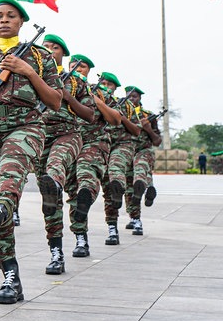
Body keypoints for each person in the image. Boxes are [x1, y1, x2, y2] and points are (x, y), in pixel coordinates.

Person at [0, 0, 62, 303]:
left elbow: (54, 101)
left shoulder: (38, 56)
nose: (4, 20)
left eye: (11, 16)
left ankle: (2, 210)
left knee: (9, 178)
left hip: (26, 126)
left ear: (21, 21)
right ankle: (10, 275)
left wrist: (28, 71)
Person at [34, 34, 91, 275]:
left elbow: (90, 115)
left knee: (55, 172)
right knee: (51, 200)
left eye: (54, 47)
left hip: (67, 135)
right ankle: (56, 252)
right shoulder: (30, 72)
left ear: (63, 55)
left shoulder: (75, 82)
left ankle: (80, 236)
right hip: (40, 137)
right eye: (45, 46)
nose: (48, 49)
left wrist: (68, 98)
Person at [63, 55, 120, 257]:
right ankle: (81, 239)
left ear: (89, 71)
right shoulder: (61, 83)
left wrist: (96, 100)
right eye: (73, 65)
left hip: (95, 142)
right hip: (70, 141)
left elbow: (116, 119)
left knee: (86, 177)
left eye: (82, 66)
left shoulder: (100, 92)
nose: (76, 68)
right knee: (73, 192)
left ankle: (107, 221)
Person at [97, 72, 142, 245]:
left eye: (109, 85)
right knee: (109, 190)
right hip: (104, 145)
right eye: (103, 83)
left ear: (115, 88)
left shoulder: (126, 105)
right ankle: (112, 229)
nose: (106, 87)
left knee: (115, 169)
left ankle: (120, 188)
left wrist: (121, 118)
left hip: (123, 145)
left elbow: (137, 130)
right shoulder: (93, 99)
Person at [122, 86, 161, 236]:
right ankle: (134, 218)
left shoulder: (149, 116)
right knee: (129, 189)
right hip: (126, 151)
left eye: (135, 97)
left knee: (140, 172)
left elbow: (157, 141)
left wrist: (148, 128)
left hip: (144, 151)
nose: (132, 99)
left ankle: (146, 188)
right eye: (129, 96)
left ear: (140, 99)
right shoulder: (121, 113)